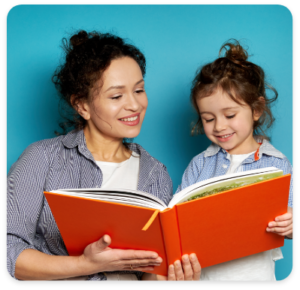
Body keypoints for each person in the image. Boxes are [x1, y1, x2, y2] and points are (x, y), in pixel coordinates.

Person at [6, 30, 201, 281]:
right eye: (117, 96)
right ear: (82, 106)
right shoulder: (41, 158)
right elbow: (9, 250)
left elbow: (150, 273)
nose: (134, 105)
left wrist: (173, 275)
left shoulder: (154, 173)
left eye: (139, 90)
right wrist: (84, 265)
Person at [176, 39, 293, 281]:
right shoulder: (200, 164)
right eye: (208, 119)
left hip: (254, 273)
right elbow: (177, 217)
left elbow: (289, 217)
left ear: (257, 109)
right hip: (204, 273)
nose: (219, 126)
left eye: (230, 115)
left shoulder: (277, 163)